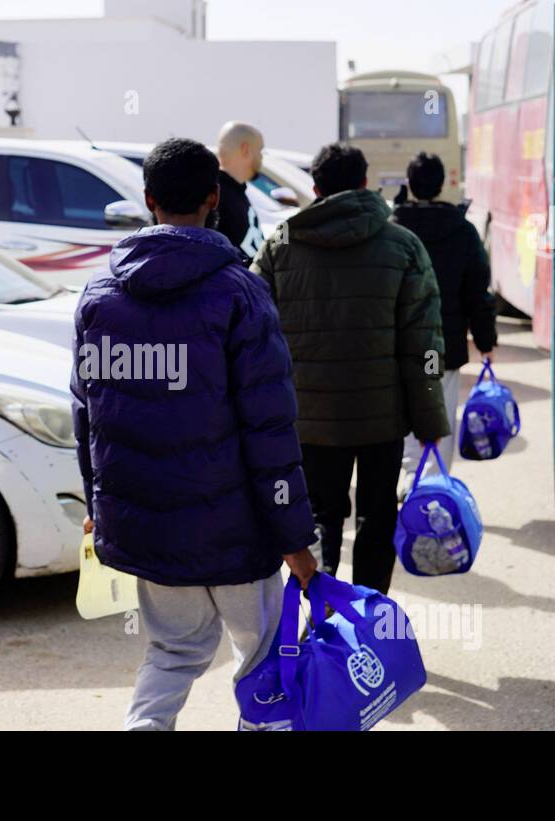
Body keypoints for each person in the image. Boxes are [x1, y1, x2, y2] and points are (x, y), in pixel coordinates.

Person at [72, 137, 318, 731]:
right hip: (240, 533)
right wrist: (294, 538)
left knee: (173, 653)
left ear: (149, 200)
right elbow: (270, 430)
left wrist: (97, 506)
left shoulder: (100, 298)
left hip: (151, 530)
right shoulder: (240, 293)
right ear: (215, 199)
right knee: (263, 661)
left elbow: (88, 418)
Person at [249, 142, 448, 593]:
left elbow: (255, 335)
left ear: (315, 188)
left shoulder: (280, 244)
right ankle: (369, 619)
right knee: (378, 517)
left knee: (319, 517)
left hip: (310, 419)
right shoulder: (403, 245)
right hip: (384, 418)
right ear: (364, 183)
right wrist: (430, 419)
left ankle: (322, 621)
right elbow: (425, 346)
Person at [391, 152, 498, 480]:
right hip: (444, 347)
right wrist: (485, 340)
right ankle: (435, 489)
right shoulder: (462, 231)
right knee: (440, 416)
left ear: (409, 184)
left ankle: (409, 483)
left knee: (404, 413)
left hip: (400, 345)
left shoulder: (393, 229)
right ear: (442, 185)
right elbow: (478, 292)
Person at [214, 121, 266, 262]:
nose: (262, 157)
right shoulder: (216, 197)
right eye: (260, 150)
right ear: (246, 150)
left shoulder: (235, 192)